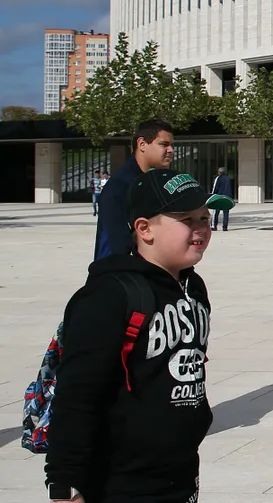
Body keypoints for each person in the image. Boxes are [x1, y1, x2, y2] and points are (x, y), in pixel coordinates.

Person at [45, 168, 219, 503]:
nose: (201, 229)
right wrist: (65, 484)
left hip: (180, 471)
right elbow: (77, 397)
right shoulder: (108, 296)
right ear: (144, 229)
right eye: (186, 218)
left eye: (205, 217)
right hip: (120, 481)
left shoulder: (193, 288)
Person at [95, 119, 174, 261]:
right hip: (118, 276)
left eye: (171, 145)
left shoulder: (154, 181)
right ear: (142, 144)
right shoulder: (119, 187)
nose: (171, 150)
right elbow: (117, 245)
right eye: (164, 144)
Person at [211, 166, 234, 231]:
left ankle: (214, 226)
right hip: (227, 197)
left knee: (216, 212)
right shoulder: (228, 178)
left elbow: (215, 188)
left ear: (219, 172)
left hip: (219, 197)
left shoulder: (218, 178)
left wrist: (213, 196)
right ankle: (225, 227)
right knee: (226, 213)